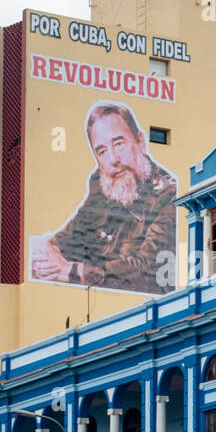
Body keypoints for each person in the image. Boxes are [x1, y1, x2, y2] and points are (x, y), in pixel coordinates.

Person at [29, 103, 178, 295]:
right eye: (102, 151)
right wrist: (48, 251)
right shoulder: (102, 183)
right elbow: (71, 236)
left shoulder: (169, 195)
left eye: (119, 144)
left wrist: (72, 271)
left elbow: (146, 268)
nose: (113, 159)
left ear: (140, 141)